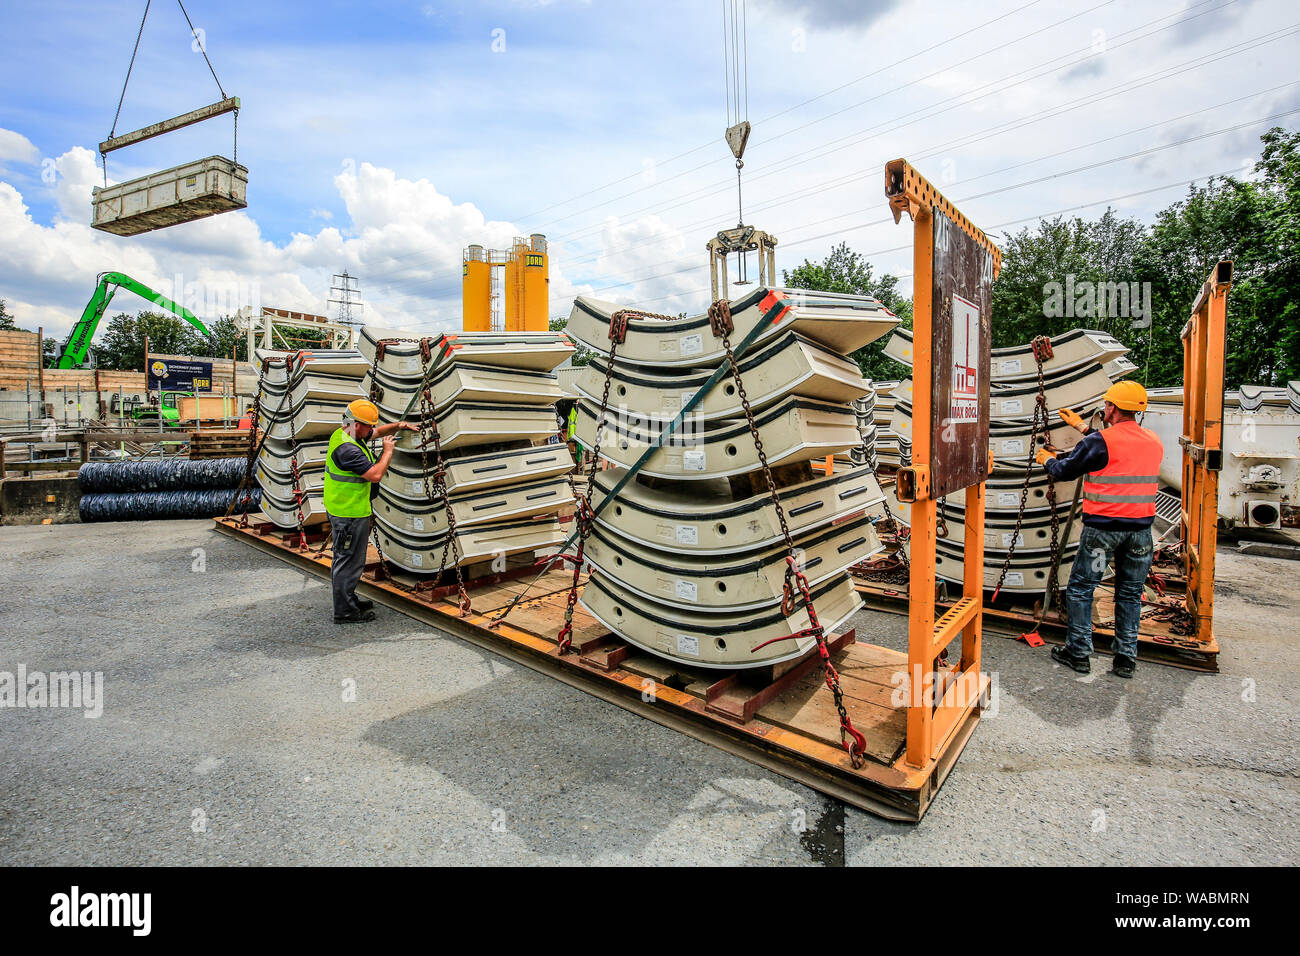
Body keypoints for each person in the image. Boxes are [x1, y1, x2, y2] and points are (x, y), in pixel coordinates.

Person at [1036, 380, 1162, 678]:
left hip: (1103, 535)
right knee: (1130, 594)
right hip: (1140, 535)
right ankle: (1125, 659)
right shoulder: (1152, 440)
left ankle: (1078, 653)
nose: (1104, 408)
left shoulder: (1100, 443)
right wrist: (1081, 428)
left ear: (1112, 408)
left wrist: (1048, 459)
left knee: (1081, 589)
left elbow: (1067, 470)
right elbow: (1116, 451)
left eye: (1107, 404)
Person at [323, 399, 418, 623]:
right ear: (356, 425)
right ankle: (345, 612)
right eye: (367, 425)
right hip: (348, 513)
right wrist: (388, 451)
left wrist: (399, 426)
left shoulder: (345, 433)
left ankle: (348, 599)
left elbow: (374, 433)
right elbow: (375, 474)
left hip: (347, 509)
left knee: (347, 559)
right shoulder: (347, 449)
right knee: (348, 562)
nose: (371, 429)